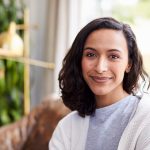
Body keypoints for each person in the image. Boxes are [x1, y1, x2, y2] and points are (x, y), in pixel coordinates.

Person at [49, 17, 150, 150]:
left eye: (113, 56)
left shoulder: (146, 117)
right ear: (80, 61)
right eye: (91, 54)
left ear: (129, 64)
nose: (100, 68)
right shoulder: (67, 127)